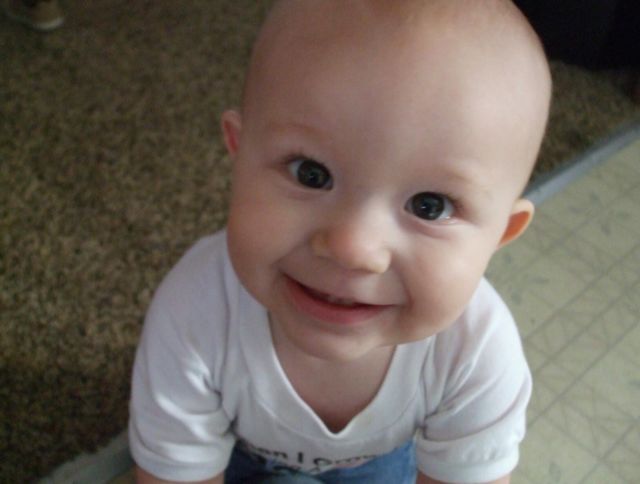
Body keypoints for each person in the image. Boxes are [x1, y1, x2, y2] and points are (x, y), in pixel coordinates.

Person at [129, 0, 552, 482]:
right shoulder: (193, 313)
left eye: (429, 206)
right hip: (234, 452)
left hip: (381, 460)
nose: (353, 248)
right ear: (238, 151)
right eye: (311, 173)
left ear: (501, 234)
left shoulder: (476, 351)